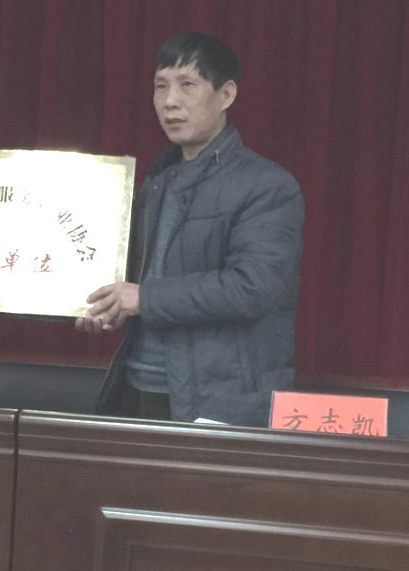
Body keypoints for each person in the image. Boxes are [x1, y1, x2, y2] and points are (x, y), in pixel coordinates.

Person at [76, 31, 304, 426]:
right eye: (160, 86)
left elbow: (252, 288)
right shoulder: (156, 182)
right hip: (136, 385)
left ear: (226, 95)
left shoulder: (267, 185)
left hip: (218, 400)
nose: (170, 101)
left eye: (187, 85)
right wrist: (104, 306)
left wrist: (143, 298)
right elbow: (136, 285)